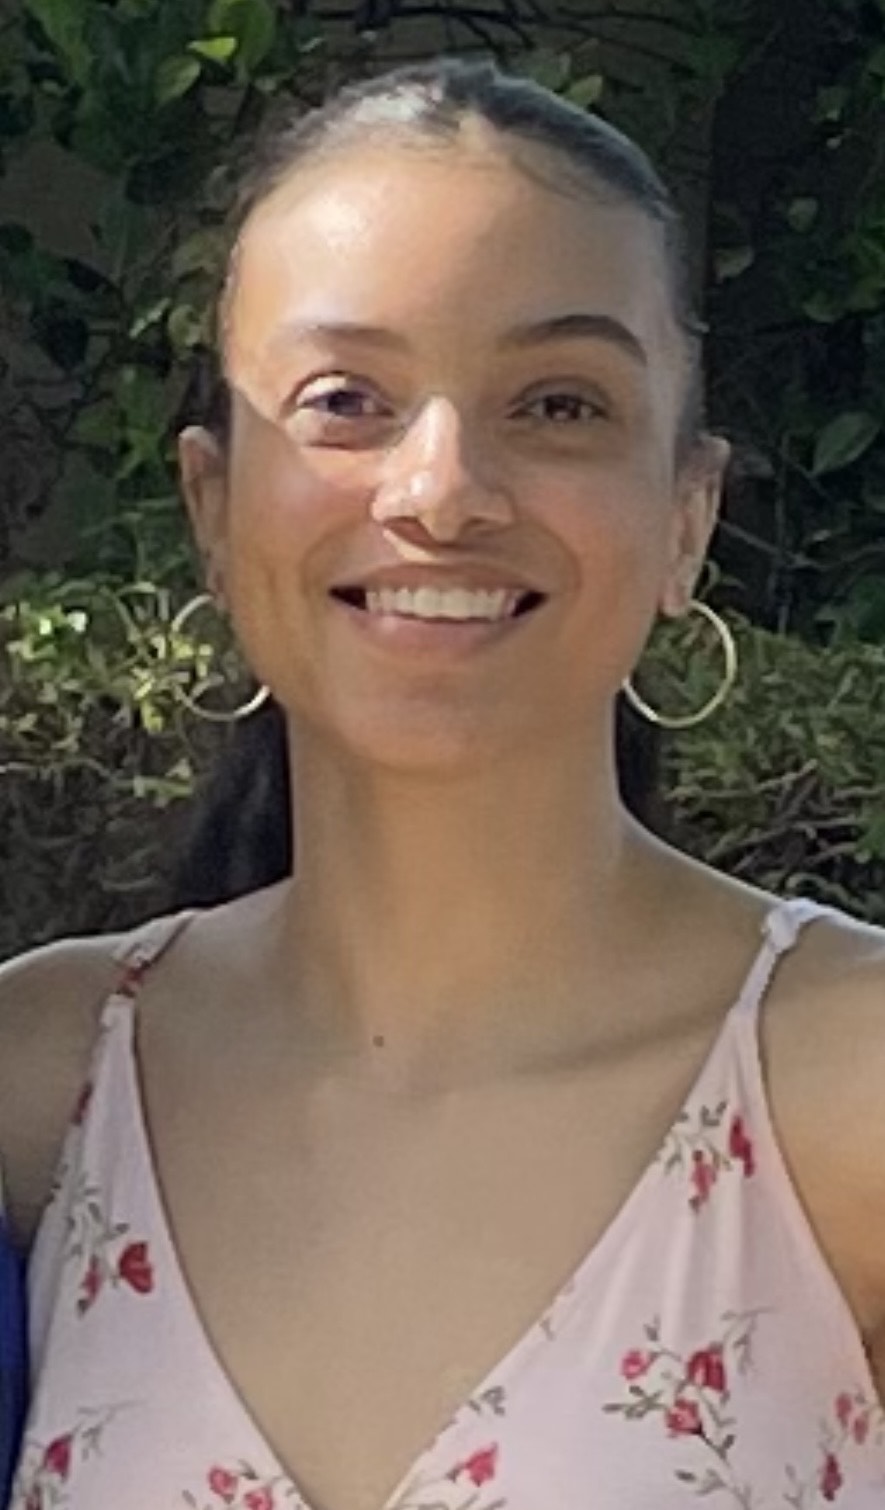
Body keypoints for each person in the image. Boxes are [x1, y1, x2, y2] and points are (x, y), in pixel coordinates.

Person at [1, 55, 884, 1510]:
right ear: (214, 505)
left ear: (687, 515)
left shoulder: (845, 1088)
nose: (442, 488)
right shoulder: (47, 1081)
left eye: (558, 405)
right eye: (345, 399)